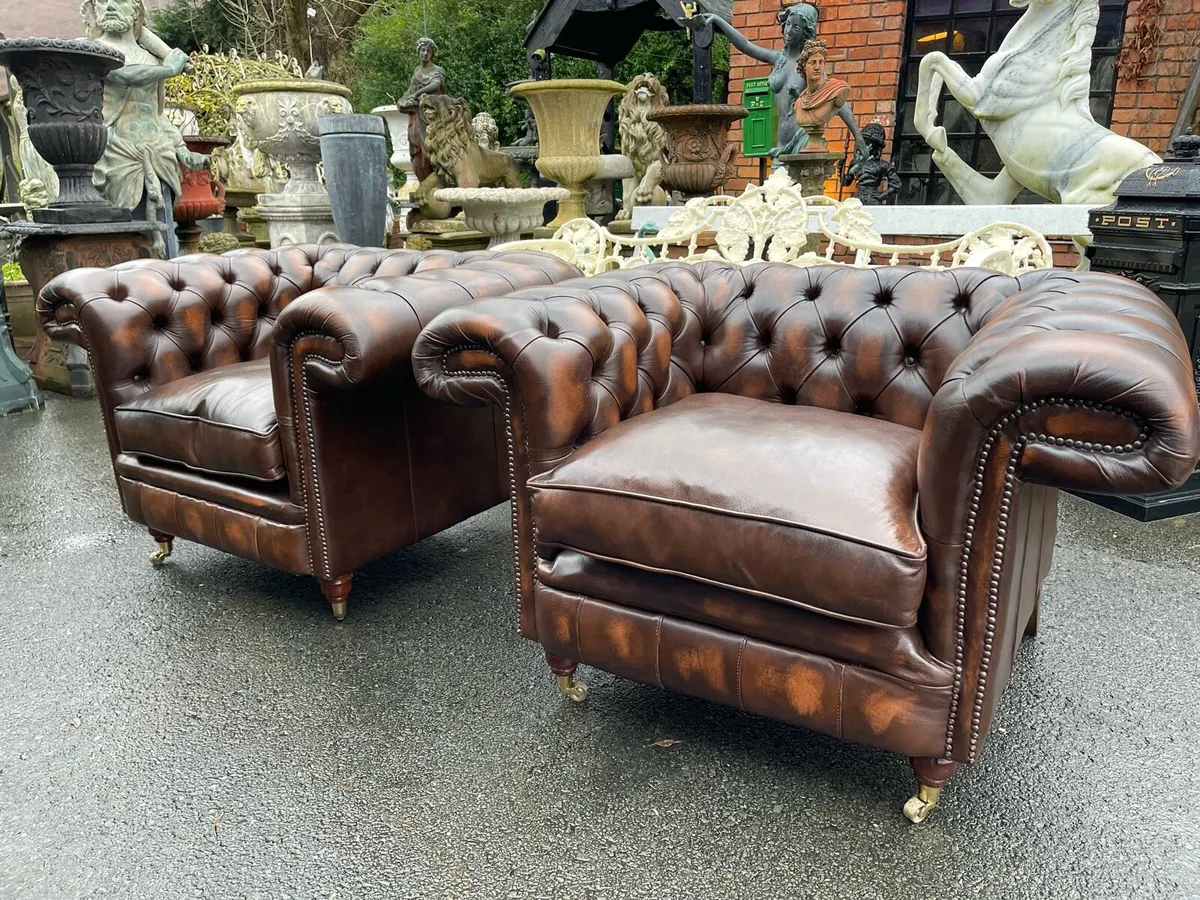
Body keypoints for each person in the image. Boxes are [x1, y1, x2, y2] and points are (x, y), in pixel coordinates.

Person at [82, 0, 208, 257]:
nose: (110, 7)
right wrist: (167, 69)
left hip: (159, 153)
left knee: (164, 244)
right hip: (116, 154)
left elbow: (157, 114)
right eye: (102, 2)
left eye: (119, 0)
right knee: (126, 245)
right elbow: (126, 76)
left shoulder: (151, 57)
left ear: (136, 9)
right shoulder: (90, 51)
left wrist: (182, 150)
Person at [694, 5, 860, 159]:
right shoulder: (778, 59)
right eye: (788, 24)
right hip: (781, 145)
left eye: (796, 27)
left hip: (803, 144)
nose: (789, 31)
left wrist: (858, 138)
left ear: (806, 32)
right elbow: (745, 45)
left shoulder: (809, 64)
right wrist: (717, 20)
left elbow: (838, 99)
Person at [783, 39, 853, 155]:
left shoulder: (838, 89)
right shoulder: (799, 103)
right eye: (813, 62)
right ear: (804, 66)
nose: (817, 67)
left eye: (821, 62)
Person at [842, 122, 901, 205]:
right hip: (857, 199)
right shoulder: (855, 162)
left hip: (873, 200)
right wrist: (840, 166)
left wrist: (882, 196)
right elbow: (845, 182)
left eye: (867, 143)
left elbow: (896, 184)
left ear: (874, 146)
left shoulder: (883, 165)